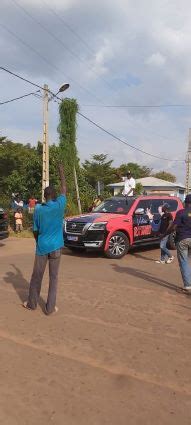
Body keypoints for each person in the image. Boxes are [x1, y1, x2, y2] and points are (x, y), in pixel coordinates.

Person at [23, 164, 66, 315]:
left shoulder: (38, 210)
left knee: (36, 277)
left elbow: (35, 230)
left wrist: (38, 242)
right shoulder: (60, 205)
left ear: (44, 196)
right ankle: (49, 308)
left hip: (42, 247)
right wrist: (61, 172)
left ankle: (32, 304)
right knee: (53, 278)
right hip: (56, 248)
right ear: (54, 196)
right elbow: (64, 190)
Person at [170, 194, 191, 292]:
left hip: (182, 239)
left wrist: (165, 234)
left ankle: (187, 286)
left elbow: (174, 227)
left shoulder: (181, 212)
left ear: (185, 202)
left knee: (184, 262)